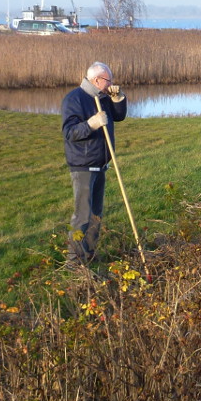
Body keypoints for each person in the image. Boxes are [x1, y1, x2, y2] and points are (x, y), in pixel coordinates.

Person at [61, 62, 127, 264]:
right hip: (83, 165)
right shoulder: (75, 99)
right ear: (97, 80)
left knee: (96, 216)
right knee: (83, 215)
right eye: (109, 81)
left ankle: (88, 255)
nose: (111, 84)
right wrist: (91, 124)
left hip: (101, 164)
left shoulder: (103, 98)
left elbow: (119, 116)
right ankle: (74, 262)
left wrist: (118, 99)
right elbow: (70, 133)